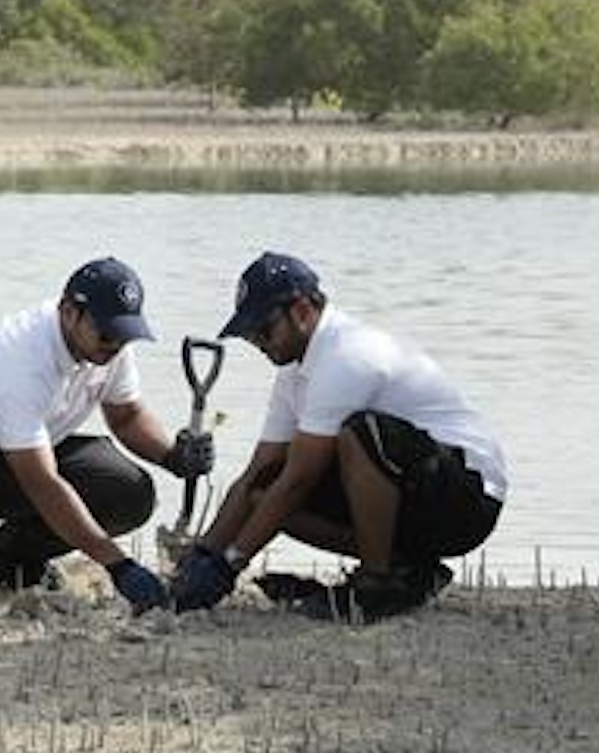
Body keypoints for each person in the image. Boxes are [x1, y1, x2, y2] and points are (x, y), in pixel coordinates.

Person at [171, 252, 505, 623]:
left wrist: (230, 565)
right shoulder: (294, 374)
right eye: (250, 336)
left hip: (468, 498)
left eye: (263, 330)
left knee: (358, 434)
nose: (259, 343)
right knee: (264, 489)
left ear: (300, 310)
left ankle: (378, 586)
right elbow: (257, 475)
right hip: (410, 492)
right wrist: (203, 556)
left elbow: (298, 482)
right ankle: (409, 569)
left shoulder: (346, 356)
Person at [0, 257, 209, 613]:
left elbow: (127, 417)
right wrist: (119, 566)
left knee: (127, 490)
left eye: (125, 334)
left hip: (16, 460)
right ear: (68, 312)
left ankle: (8, 556)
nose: (115, 344)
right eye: (107, 332)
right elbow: (42, 484)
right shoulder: (21, 358)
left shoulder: (109, 352)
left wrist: (172, 456)